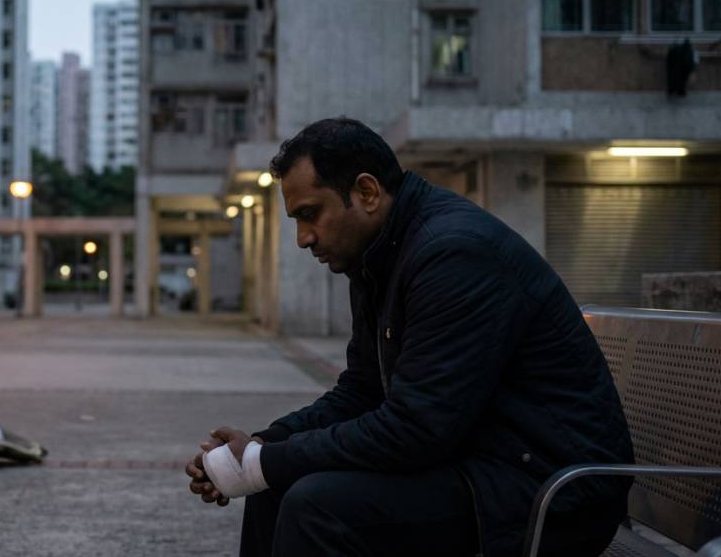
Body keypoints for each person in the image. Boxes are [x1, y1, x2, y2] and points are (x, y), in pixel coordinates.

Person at [185, 118, 634, 557]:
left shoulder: (452, 254)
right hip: (479, 461)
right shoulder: (376, 256)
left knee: (316, 508)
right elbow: (362, 391)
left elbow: (417, 429)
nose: (303, 238)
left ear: (367, 192)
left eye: (310, 214)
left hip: (551, 488)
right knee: (275, 486)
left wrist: (263, 462)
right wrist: (261, 446)